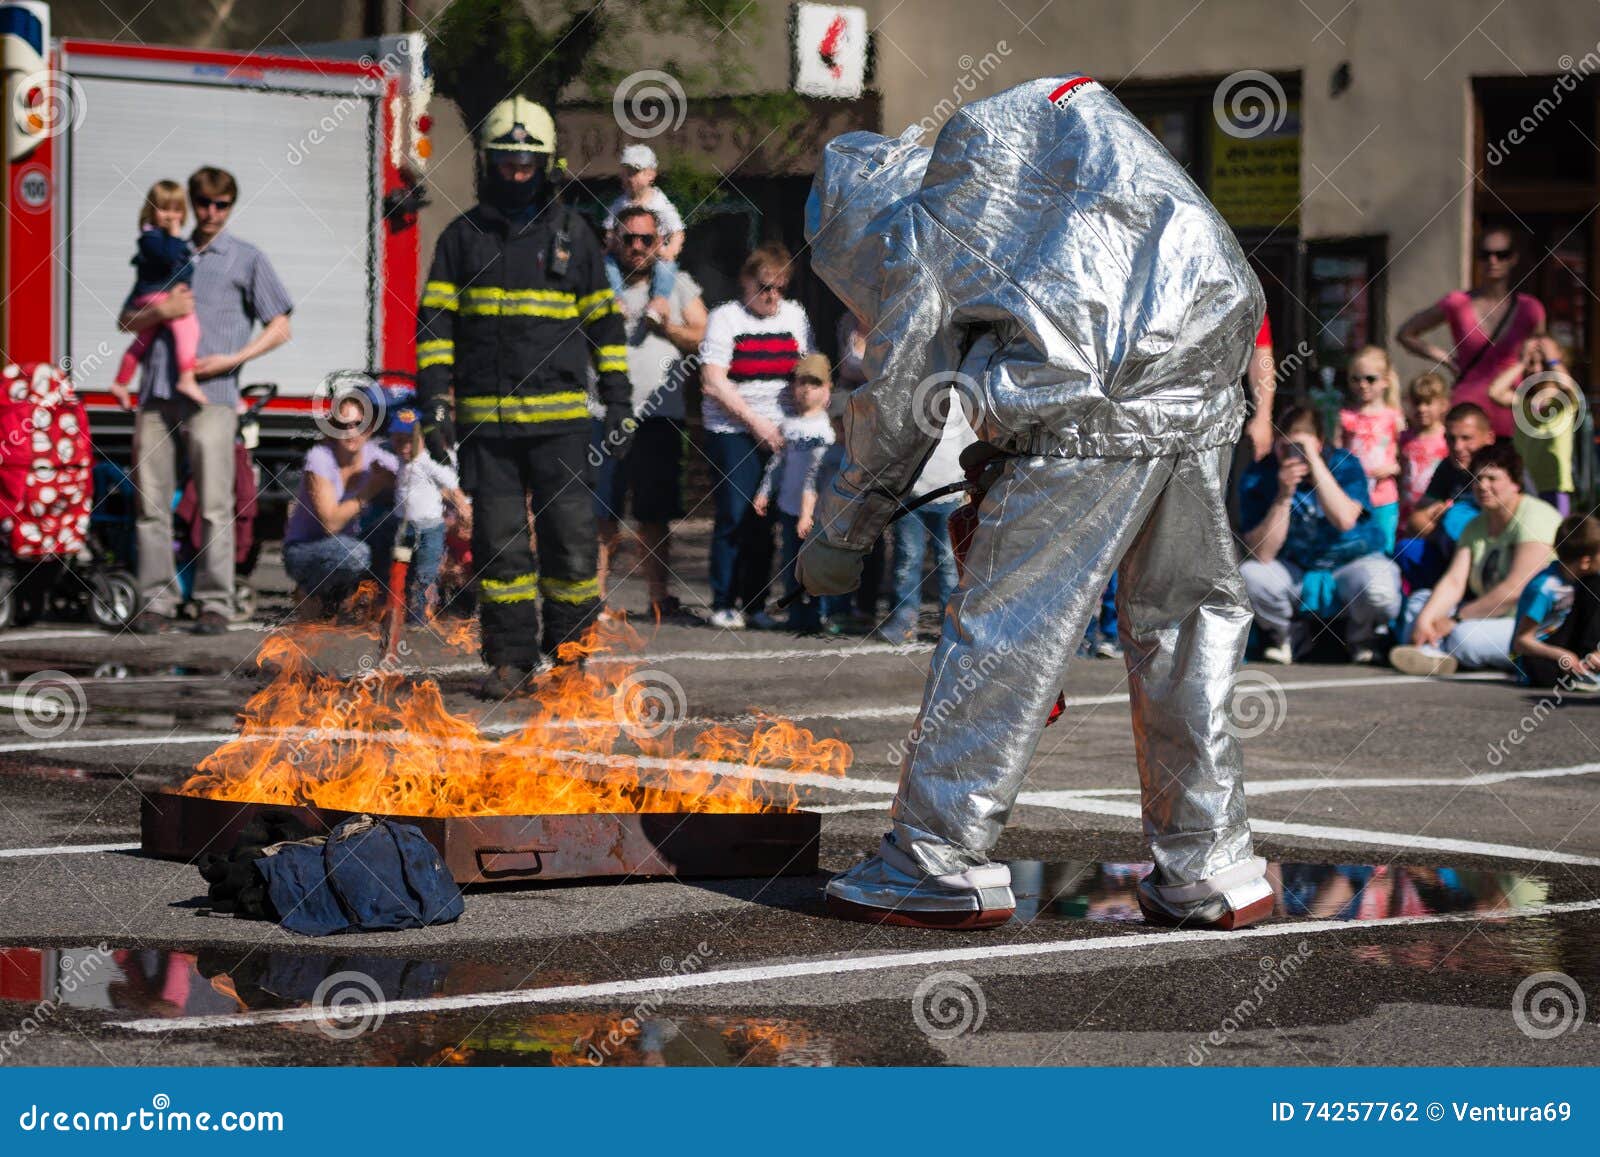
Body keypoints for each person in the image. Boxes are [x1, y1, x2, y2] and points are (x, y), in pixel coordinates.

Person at [798, 80, 1274, 933]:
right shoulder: (1009, 158)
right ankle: (1212, 864)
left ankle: (932, 860)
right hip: (1206, 351)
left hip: (1090, 392)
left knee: (1006, 630)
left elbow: (903, 394)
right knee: (1185, 621)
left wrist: (846, 527)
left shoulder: (919, 219)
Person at [415, 97, 629, 698]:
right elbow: (435, 327)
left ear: (547, 165)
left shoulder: (574, 236)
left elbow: (604, 324)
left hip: (561, 426)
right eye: (505, 161)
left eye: (526, 162)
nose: (515, 172)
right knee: (499, 549)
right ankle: (509, 660)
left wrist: (618, 399)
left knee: (571, 545)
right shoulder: (461, 239)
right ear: (488, 164)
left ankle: (570, 660)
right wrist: (433, 402)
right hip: (488, 429)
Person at [123, 166, 293, 637]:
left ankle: (214, 601)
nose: (211, 212)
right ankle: (157, 600)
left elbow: (281, 324)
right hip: (157, 393)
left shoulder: (245, 258)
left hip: (214, 395)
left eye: (221, 205)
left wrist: (233, 360)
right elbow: (126, 321)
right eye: (203, 203)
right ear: (192, 203)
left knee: (216, 503)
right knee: (150, 503)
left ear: (231, 206)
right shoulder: (163, 248)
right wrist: (159, 311)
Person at [592, 204, 706, 620]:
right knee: (602, 512)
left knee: (654, 513)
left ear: (659, 243)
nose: (637, 247)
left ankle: (659, 598)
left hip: (659, 416)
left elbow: (702, 336)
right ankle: (595, 600)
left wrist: (668, 329)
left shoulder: (678, 285)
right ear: (615, 241)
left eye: (645, 239)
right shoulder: (595, 283)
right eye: (629, 239)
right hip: (602, 412)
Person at [698, 242, 813, 629]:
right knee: (736, 510)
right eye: (764, 286)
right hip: (733, 427)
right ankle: (723, 600)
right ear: (746, 282)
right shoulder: (725, 318)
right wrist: (756, 423)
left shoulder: (796, 316)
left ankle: (757, 602)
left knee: (767, 518)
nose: (772, 296)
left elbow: (806, 370)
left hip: (782, 430)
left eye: (780, 287)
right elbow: (713, 381)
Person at [1237, 406, 1401, 665]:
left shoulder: (1345, 464)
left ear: (1320, 443)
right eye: (1286, 447)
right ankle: (1286, 636)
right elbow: (1262, 553)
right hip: (1297, 571)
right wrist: (1283, 495)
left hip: (1350, 567)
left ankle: (1362, 637)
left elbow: (1345, 520)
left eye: (1302, 446)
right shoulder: (1260, 474)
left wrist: (1315, 464)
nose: (1293, 455)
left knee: (1380, 587)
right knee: (1251, 576)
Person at [1389, 442, 1559, 677]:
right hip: (1488, 616)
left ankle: (1437, 650)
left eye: (1492, 478)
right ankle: (1431, 649)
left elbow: (1515, 590)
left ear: (1515, 482)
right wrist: (1426, 619)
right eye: (1477, 478)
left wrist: (1457, 619)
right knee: (1421, 601)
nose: (1482, 486)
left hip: (1534, 624)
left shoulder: (1535, 516)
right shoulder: (1476, 525)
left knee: (1463, 636)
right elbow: (1454, 582)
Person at [1396, 224, 1546, 440]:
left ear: (1513, 259)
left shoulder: (1530, 309)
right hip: (1467, 414)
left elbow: (1538, 361)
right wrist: (1447, 360)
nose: (1493, 261)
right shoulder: (1458, 303)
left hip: (1512, 411)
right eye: (1485, 255)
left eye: (1501, 255)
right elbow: (1406, 333)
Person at [281, 393, 397, 613]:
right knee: (355, 554)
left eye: (359, 424)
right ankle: (312, 590)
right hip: (307, 549)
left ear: (370, 428)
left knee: (398, 526)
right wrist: (371, 489)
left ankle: (375, 600)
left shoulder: (377, 457)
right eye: (344, 425)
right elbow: (331, 524)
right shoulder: (320, 458)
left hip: (350, 544)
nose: (352, 431)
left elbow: (411, 481)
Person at [878, 388, 974, 643]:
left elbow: (968, 443)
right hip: (912, 495)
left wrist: (968, 484)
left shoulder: (957, 400)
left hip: (950, 494)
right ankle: (904, 621)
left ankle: (950, 624)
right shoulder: (907, 398)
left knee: (949, 563)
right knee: (907, 559)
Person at [751, 353, 835, 632]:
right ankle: (796, 613)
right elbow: (777, 465)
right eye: (802, 383)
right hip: (789, 508)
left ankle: (821, 614)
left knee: (821, 564)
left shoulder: (830, 429)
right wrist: (765, 491)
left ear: (827, 389)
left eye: (815, 383)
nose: (807, 389)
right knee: (792, 564)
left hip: (822, 512)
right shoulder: (788, 425)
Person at [111, 181, 205, 409]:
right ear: (150, 210)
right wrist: (174, 235)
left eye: (177, 210)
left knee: (142, 341)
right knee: (189, 328)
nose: (171, 216)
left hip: (151, 297)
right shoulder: (152, 238)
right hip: (157, 296)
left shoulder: (162, 239)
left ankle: (120, 383)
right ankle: (186, 378)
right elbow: (168, 257)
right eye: (164, 208)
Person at [1394, 402, 1497, 591]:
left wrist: (1449, 519)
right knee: (1407, 549)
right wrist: (1443, 525)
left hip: (1491, 557)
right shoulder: (1448, 467)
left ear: (1489, 437)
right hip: (1451, 550)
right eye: (1451, 439)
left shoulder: (1500, 469)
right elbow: (1415, 521)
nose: (1458, 447)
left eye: (1467, 438)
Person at [388, 404, 469, 624]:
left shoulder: (426, 461)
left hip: (429, 530)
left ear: (421, 438)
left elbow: (451, 483)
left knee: (426, 571)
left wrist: (462, 506)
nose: (403, 446)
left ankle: (420, 614)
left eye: (408, 440)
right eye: (398, 440)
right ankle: (397, 609)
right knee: (401, 568)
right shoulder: (397, 462)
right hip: (404, 529)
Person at [1492, 336, 1579, 516]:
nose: (1537, 369)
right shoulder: (1524, 402)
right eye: (1532, 363)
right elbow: (1495, 392)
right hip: (1522, 485)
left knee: (1554, 540)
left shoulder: (1563, 403)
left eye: (1543, 363)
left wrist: (1553, 360)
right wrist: (1522, 362)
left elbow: (1570, 388)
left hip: (1554, 487)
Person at [1511, 513, 1600, 689]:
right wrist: (1561, 655)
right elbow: (1522, 642)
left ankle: (1588, 665)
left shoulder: (1586, 580)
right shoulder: (1545, 588)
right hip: (1542, 651)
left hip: (1569, 642)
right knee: (1542, 672)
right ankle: (1578, 675)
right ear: (1585, 561)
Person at [603, 144, 685, 319]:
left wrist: (670, 251)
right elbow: (610, 230)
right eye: (625, 173)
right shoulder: (619, 204)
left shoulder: (660, 203)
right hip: (626, 253)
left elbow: (677, 231)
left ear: (651, 175)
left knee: (666, 267)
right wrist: (610, 245)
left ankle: (658, 302)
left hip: (654, 254)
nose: (629, 178)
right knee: (607, 264)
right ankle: (617, 300)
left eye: (635, 172)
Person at [1338, 345, 1405, 551]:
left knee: (1384, 549)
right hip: (1352, 496)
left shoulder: (1394, 417)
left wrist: (1393, 468)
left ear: (1385, 381)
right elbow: (1336, 454)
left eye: (1370, 379)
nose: (1362, 385)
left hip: (1384, 495)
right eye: (1355, 379)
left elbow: (1405, 458)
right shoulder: (1346, 417)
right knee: (1352, 547)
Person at [1398, 371, 1450, 523]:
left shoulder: (1447, 438)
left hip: (1435, 509)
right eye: (1417, 403)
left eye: (1428, 403)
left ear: (1443, 405)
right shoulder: (1405, 438)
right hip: (1407, 509)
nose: (1421, 409)